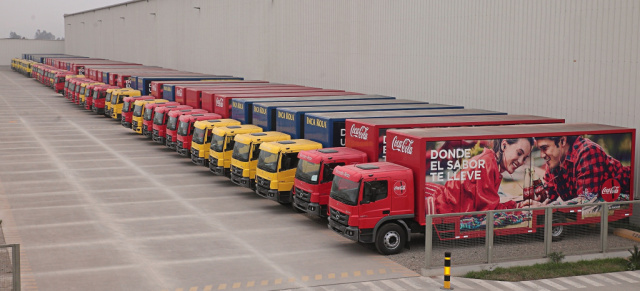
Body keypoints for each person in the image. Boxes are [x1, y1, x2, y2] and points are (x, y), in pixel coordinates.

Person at [434, 138, 534, 214]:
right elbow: (490, 212)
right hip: (442, 213)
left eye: (524, 158)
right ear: (504, 145)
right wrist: (520, 209)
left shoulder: (491, 162)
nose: (521, 161)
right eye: (519, 153)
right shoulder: (487, 164)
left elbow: (490, 205)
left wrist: (519, 205)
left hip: (446, 212)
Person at [534, 135, 631, 205]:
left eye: (545, 148)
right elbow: (548, 196)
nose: (541, 155)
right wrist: (533, 202)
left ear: (562, 141)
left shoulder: (587, 152)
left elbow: (586, 201)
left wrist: (553, 206)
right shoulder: (554, 162)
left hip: (628, 195)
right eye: (540, 150)